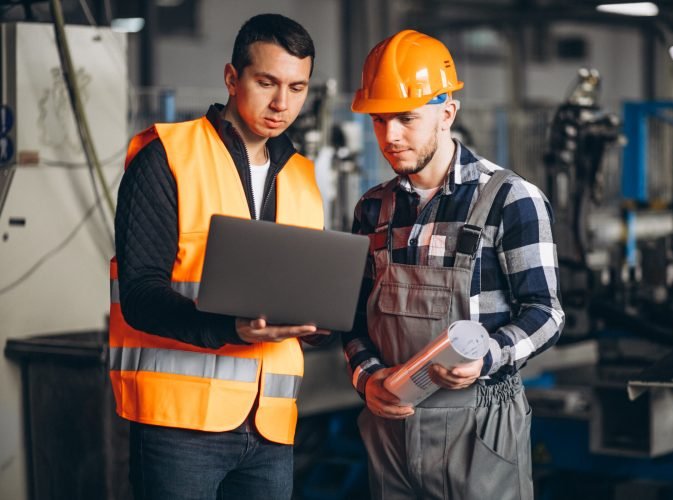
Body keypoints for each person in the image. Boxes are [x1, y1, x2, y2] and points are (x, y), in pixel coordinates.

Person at [111, 14, 326, 500]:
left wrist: (323, 320)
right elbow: (141, 292)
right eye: (266, 82)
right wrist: (230, 329)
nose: (281, 103)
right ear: (232, 78)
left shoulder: (302, 176)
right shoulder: (167, 157)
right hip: (178, 426)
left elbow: (302, 288)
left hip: (271, 426)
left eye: (297, 87)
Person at [342, 30, 565, 499]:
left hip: (480, 431)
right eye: (379, 120)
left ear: (447, 114)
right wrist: (367, 377)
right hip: (391, 431)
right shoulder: (372, 209)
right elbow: (353, 318)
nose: (391, 135)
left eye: (406, 118)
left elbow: (546, 313)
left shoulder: (509, 199)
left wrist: (488, 356)